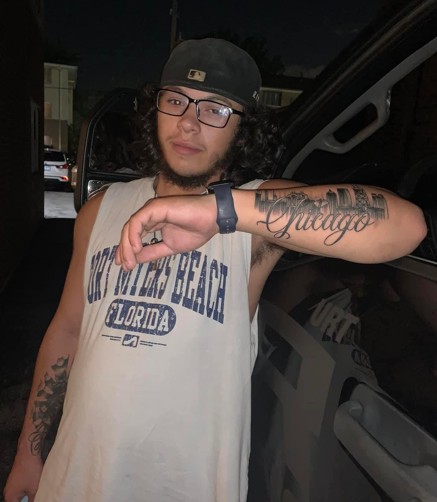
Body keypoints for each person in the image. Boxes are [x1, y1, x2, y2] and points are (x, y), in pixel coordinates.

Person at [4, 38, 426, 502]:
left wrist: (220, 210)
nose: (189, 121)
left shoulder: (253, 216)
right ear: (156, 108)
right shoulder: (100, 210)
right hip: (75, 479)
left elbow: (404, 227)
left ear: (242, 130)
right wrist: (29, 452)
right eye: (176, 100)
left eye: (216, 109)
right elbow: (66, 331)